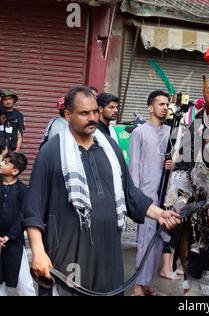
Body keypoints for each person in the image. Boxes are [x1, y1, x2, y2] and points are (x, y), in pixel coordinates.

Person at [23, 86, 180, 296]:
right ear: (68, 115)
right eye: (84, 113)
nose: (92, 118)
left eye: (95, 111)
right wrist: (38, 252)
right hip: (68, 254)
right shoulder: (51, 153)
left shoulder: (110, 149)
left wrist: (159, 214)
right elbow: (33, 209)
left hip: (108, 254)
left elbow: (130, 192)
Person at [129, 90, 176, 296]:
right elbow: (134, 166)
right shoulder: (140, 132)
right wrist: (136, 198)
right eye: (161, 104)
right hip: (146, 196)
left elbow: (179, 162)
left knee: (160, 241)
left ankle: (147, 284)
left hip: (166, 194)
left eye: (167, 104)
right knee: (145, 241)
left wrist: (173, 164)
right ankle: (138, 287)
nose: (165, 107)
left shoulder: (171, 132)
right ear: (150, 108)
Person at [0, 152, 35, 296]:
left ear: (15, 171)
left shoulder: (23, 190)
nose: (1, 163)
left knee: (24, 285)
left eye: (6, 162)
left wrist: (8, 237)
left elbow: (22, 216)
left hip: (14, 243)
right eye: (2, 160)